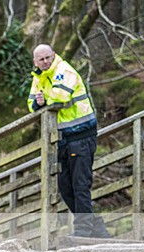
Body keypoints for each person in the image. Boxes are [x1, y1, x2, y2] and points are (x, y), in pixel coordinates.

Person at [28, 44, 111, 239]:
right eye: (41, 59)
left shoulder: (64, 70)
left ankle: (83, 230)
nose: (45, 62)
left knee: (80, 184)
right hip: (62, 138)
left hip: (81, 135)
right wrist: (37, 103)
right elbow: (31, 104)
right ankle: (97, 229)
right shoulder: (38, 78)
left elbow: (60, 97)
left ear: (54, 55)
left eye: (48, 57)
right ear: (35, 62)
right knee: (65, 187)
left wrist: (43, 100)